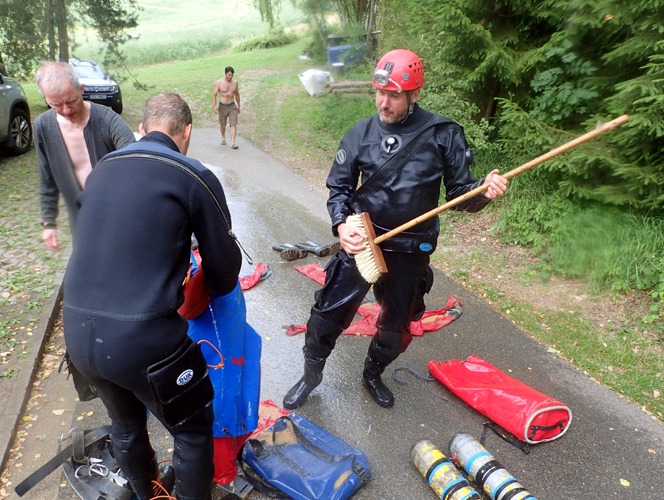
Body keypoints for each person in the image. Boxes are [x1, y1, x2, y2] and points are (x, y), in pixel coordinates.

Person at [283, 49, 509, 410]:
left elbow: (462, 197)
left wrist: (484, 192)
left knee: (397, 327)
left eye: (393, 96)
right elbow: (339, 189)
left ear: (414, 94)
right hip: (362, 241)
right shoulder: (359, 134)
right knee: (326, 315)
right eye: (379, 93)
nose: (384, 103)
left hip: (410, 248)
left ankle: (373, 373)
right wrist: (342, 224)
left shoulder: (443, 134)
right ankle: (311, 376)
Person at [63, 93, 242, 500]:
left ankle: (149, 494)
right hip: (141, 340)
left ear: (142, 130)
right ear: (187, 133)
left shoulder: (103, 169)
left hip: (77, 336)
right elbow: (226, 271)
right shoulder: (192, 174)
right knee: (193, 431)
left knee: (126, 425)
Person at [34, 61, 135, 250]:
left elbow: (134, 156)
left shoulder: (108, 120)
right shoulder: (42, 127)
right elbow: (47, 178)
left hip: (118, 215)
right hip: (80, 221)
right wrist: (49, 222)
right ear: (46, 99)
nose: (66, 110)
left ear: (81, 89)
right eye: (56, 104)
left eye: (71, 100)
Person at [211, 66, 241, 149]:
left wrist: (239, 106)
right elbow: (214, 95)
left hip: (232, 105)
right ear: (225, 74)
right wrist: (214, 106)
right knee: (222, 124)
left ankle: (232, 143)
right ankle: (223, 137)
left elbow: (237, 95)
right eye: (229, 75)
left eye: (231, 75)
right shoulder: (219, 82)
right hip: (222, 106)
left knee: (233, 124)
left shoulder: (235, 83)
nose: (230, 77)